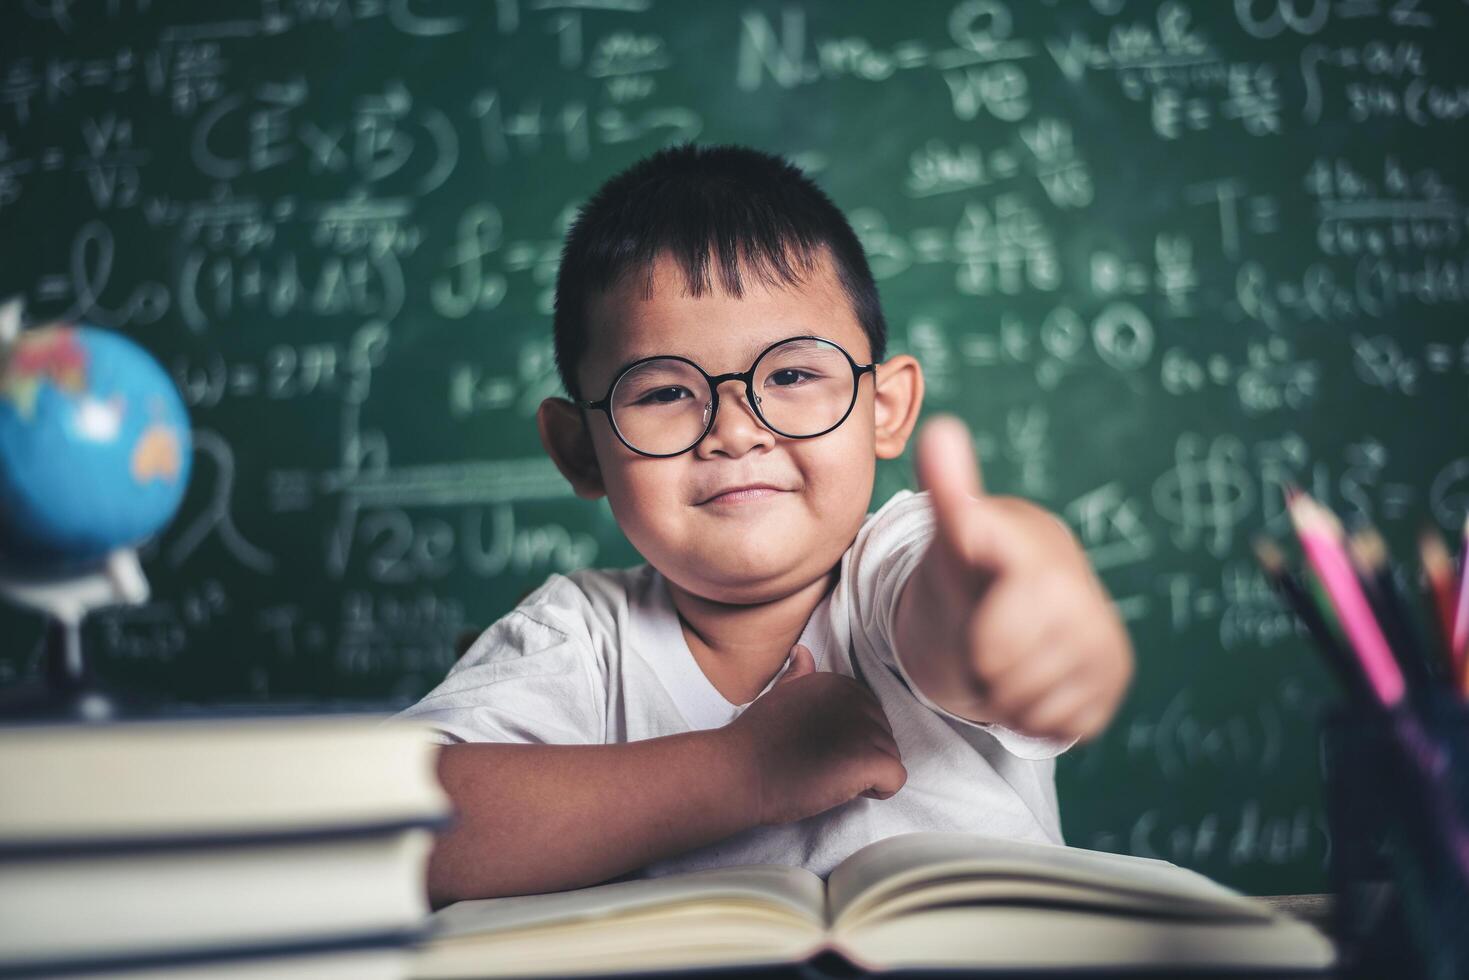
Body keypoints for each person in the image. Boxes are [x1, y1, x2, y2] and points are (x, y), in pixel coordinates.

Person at [397, 143, 1133, 907]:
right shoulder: (577, 636)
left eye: (790, 375)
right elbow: (391, 833)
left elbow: (957, 592)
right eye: (661, 393)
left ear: (883, 410)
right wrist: (743, 771)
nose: (736, 431)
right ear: (581, 450)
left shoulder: (893, 569)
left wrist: (1014, 604)